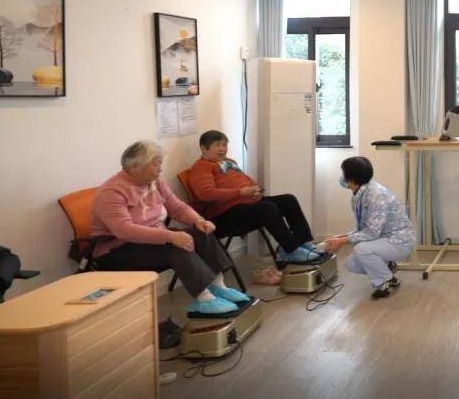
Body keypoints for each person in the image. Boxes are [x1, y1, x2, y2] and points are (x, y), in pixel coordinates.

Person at [91, 140, 251, 315]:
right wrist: (170, 237)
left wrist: (198, 220)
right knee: (176, 248)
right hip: (118, 248)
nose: (160, 169)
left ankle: (219, 286)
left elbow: (176, 207)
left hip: (153, 239)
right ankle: (205, 299)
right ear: (136, 166)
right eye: (156, 164)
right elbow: (124, 230)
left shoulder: (154, 182)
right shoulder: (111, 192)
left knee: (201, 232)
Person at [188, 130, 320, 264]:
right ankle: (290, 251)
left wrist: (257, 191)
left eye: (224, 145)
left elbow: (248, 180)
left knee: (288, 200)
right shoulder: (201, 167)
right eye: (217, 145)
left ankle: (303, 242)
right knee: (267, 208)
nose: (223, 149)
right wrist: (240, 192)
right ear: (204, 148)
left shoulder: (229, 162)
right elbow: (206, 194)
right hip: (225, 215)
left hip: (248, 205)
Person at [321, 157, 414, 299]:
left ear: (351, 177)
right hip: (383, 238)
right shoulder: (360, 192)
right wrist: (340, 237)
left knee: (361, 249)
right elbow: (364, 228)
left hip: (399, 240)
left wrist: (342, 241)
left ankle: (388, 282)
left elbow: (371, 233)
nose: (342, 177)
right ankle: (387, 266)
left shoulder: (376, 195)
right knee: (352, 264)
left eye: (343, 173)